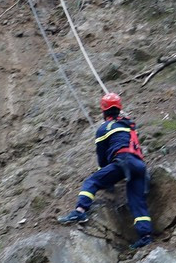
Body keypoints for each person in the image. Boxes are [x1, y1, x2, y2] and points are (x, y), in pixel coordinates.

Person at [57, 92, 153, 249]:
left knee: (92, 181)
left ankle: (80, 210)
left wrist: (107, 179)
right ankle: (146, 236)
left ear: (103, 111)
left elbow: (102, 157)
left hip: (123, 162)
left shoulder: (103, 129)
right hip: (139, 165)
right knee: (137, 201)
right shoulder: (129, 125)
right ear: (119, 109)